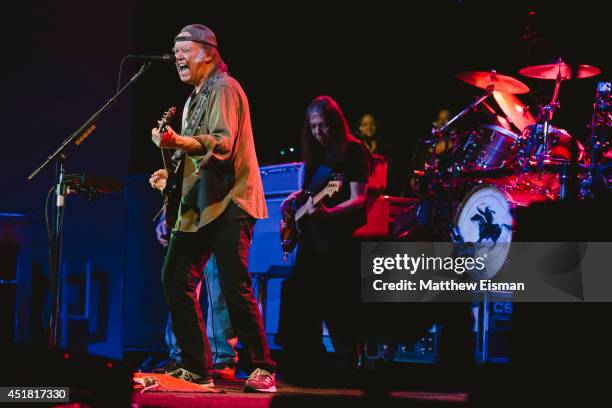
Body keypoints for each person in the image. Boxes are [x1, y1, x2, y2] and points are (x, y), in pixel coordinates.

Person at [148, 24, 276, 392]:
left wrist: (177, 142)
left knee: (235, 285)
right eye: (175, 52)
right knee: (175, 278)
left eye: (184, 50)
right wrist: (169, 175)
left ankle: (263, 367)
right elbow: (195, 157)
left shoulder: (224, 88)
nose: (177, 57)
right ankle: (196, 366)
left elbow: (220, 146)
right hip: (203, 205)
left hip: (231, 201)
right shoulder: (192, 100)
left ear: (208, 52)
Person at [279, 96, 370, 383]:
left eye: (323, 127)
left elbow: (358, 200)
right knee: (304, 302)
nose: (318, 133)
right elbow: (309, 194)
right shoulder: (318, 157)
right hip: (311, 240)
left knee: (337, 303)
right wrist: (294, 199)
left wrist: (329, 213)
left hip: (338, 241)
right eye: (313, 127)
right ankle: (308, 360)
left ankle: (347, 360)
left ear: (336, 124)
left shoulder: (353, 152)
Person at [151, 215, 239, 381]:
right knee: (179, 285)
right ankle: (181, 357)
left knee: (219, 287)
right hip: (188, 218)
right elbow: (175, 189)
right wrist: (166, 217)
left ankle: (221, 360)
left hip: (219, 215)